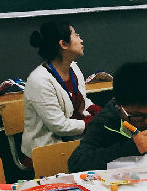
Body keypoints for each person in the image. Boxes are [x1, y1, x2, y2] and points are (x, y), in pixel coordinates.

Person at [22, 21, 101, 166]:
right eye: (76, 35)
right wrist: (93, 122)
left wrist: (94, 110)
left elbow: (79, 100)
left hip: (73, 143)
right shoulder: (39, 80)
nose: (81, 40)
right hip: (47, 151)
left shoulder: (73, 68)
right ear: (63, 44)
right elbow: (59, 126)